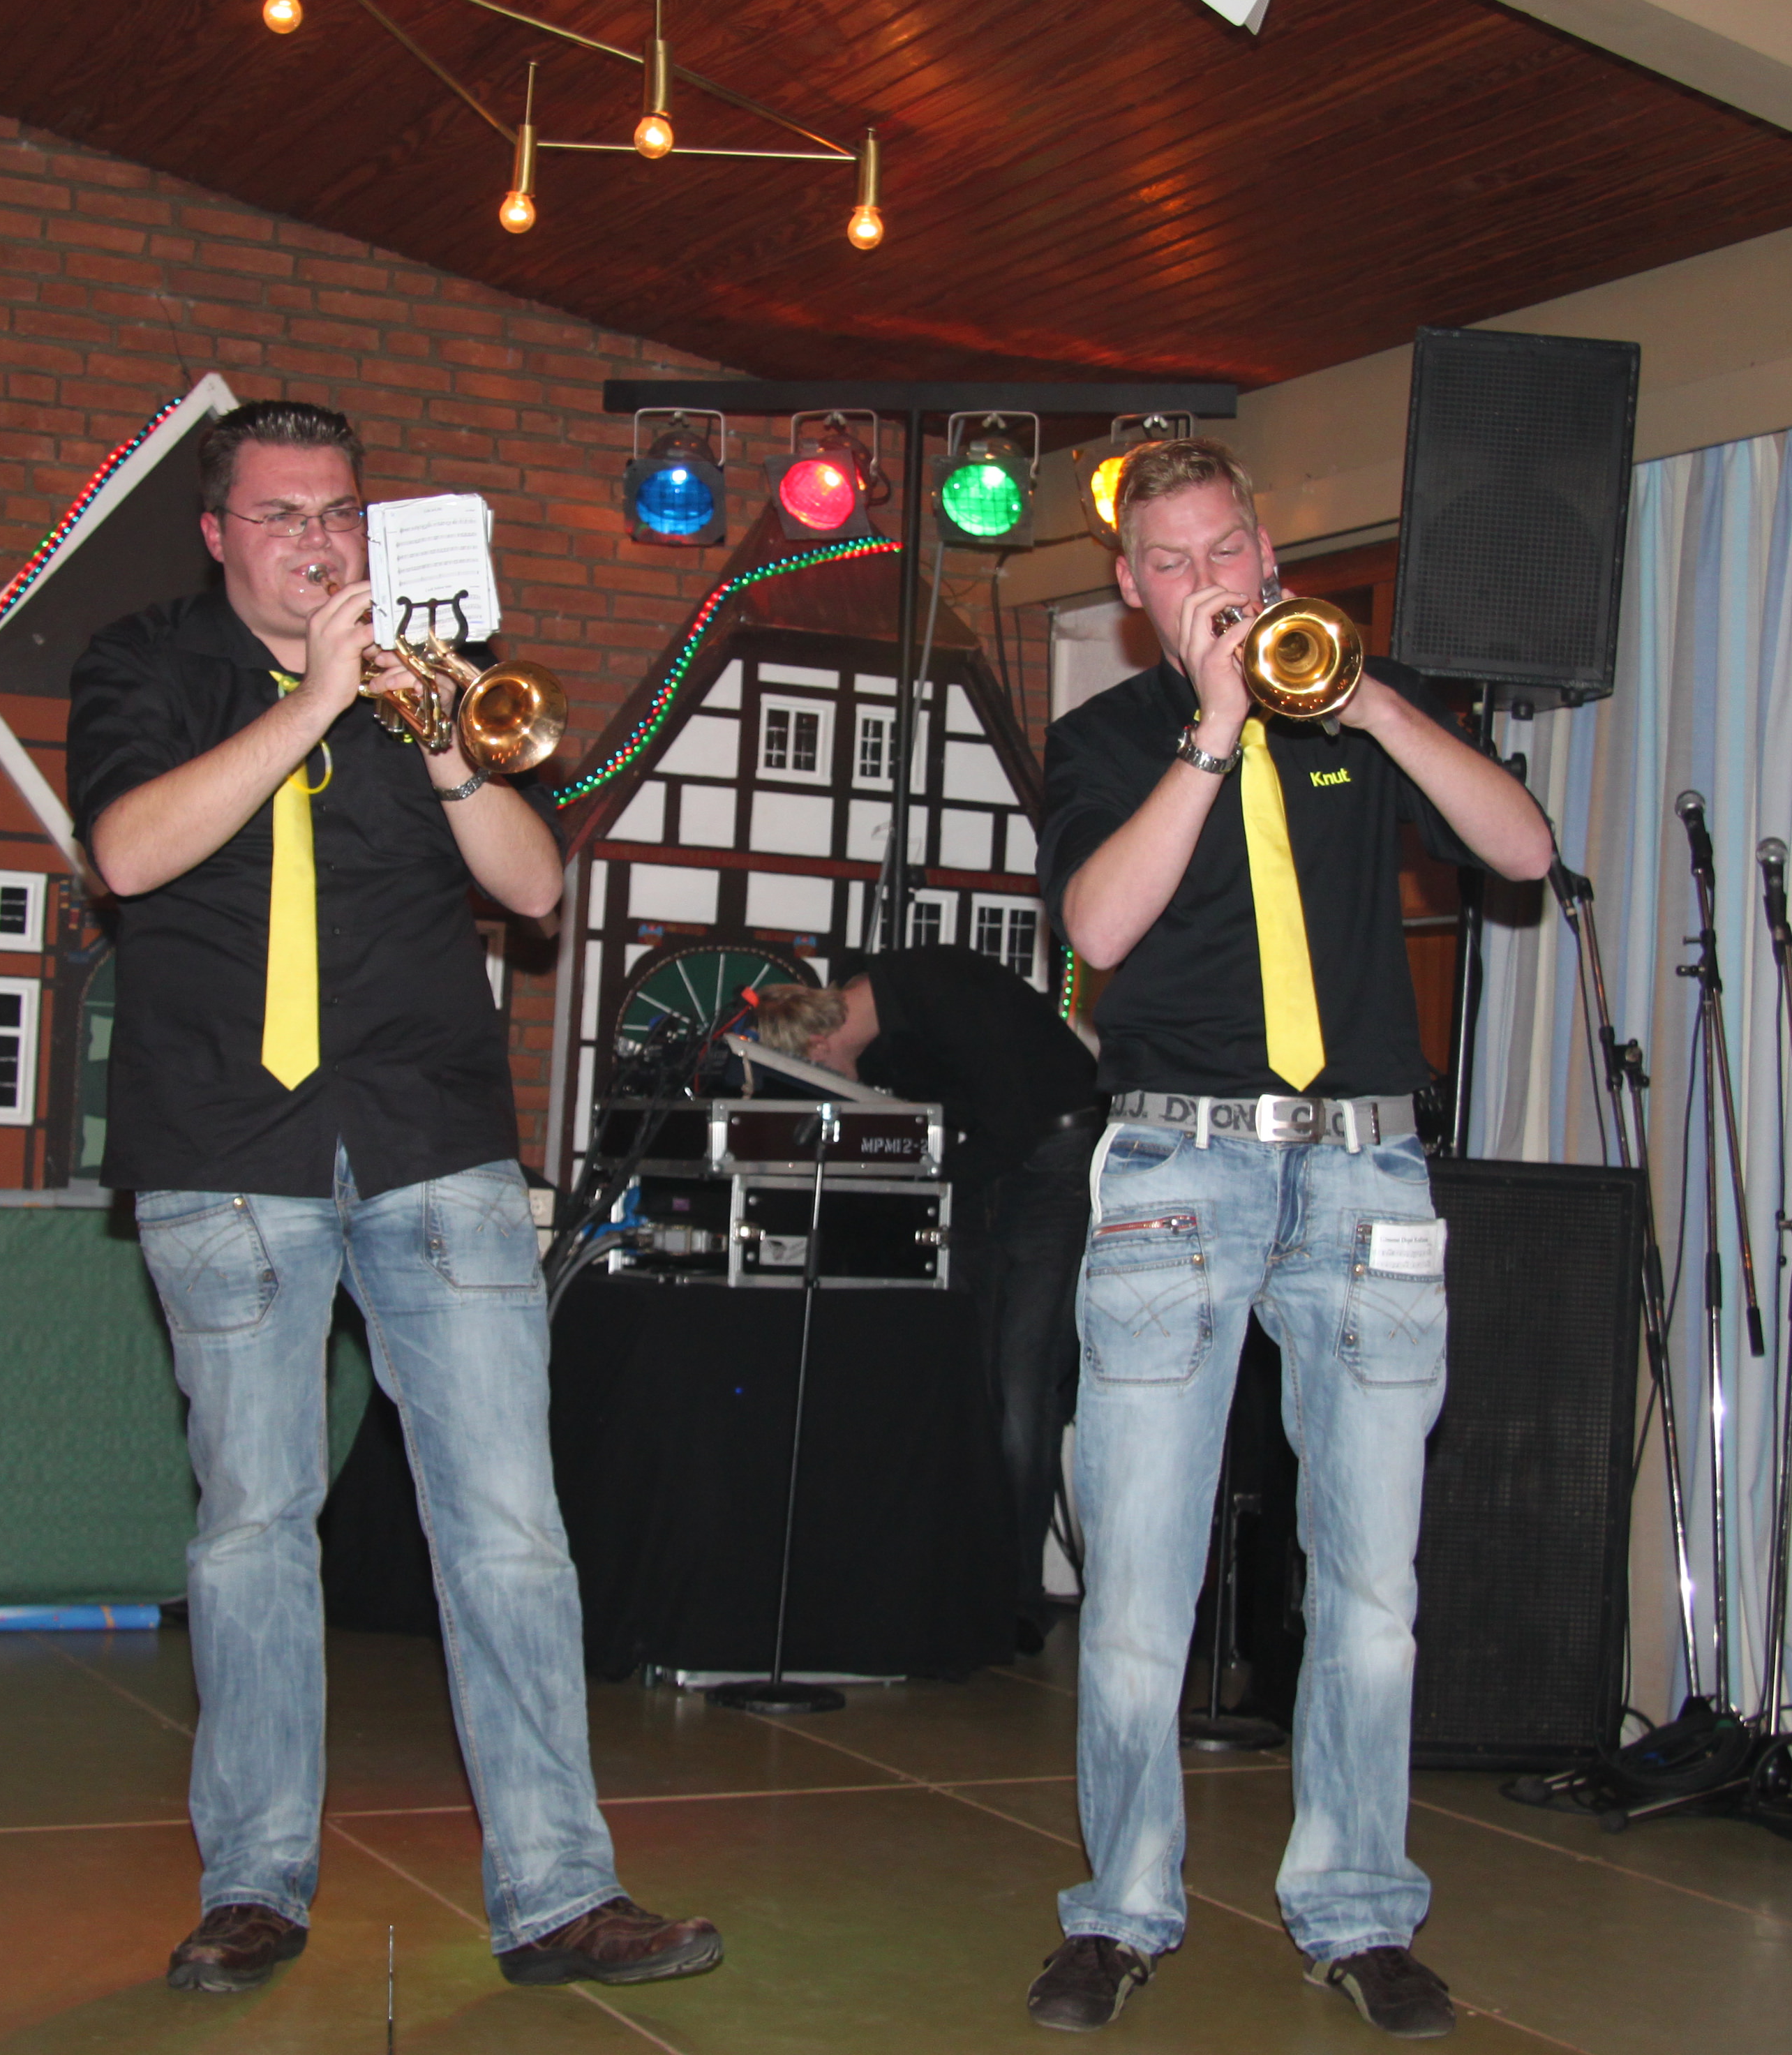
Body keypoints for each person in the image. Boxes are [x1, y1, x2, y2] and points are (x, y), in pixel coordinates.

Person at [69, 398, 721, 1998]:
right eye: (281, 515)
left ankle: (559, 1892)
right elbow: (130, 855)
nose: (317, 541)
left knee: (507, 1527)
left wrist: (431, 735)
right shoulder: (142, 664)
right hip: (230, 1147)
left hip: (434, 1140)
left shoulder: (435, 672)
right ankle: (253, 1884)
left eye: (339, 512)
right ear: (216, 533)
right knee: (253, 1526)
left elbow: (534, 885)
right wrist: (311, 701)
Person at [1024, 441, 1553, 2038]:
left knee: (1371, 1585)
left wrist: (1374, 704)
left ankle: (1358, 1908)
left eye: (1226, 548)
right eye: (1171, 561)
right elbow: (1097, 929)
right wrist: (1211, 729)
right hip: (1176, 1170)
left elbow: (1521, 853)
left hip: (1364, 1172)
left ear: (1267, 551)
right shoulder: (1110, 737)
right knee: (1138, 1583)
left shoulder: (1358, 703)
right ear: (1133, 589)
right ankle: (1121, 1909)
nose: (1208, 580)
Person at [754, 945, 1100, 1638]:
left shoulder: (938, 985)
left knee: (1021, 1381)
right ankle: (965, 1579)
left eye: (818, 1074)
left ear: (819, 1044)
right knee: (968, 1372)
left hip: (1056, 1156)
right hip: (997, 1164)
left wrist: (928, 1184)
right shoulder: (880, 1036)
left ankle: (1015, 1595)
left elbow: (1007, 1120)